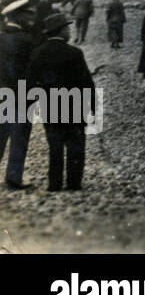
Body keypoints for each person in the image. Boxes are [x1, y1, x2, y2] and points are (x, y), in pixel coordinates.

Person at [26, 12, 96, 192]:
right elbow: (86, 82)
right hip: (74, 106)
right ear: (62, 30)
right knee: (75, 146)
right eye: (68, 28)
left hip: (50, 107)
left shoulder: (37, 53)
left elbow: (30, 83)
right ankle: (74, 182)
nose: (70, 31)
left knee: (55, 146)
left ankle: (54, 183)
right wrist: (92, 107)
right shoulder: (74, 53)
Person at [0, 0, 39, 190]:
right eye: (28, 15)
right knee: (19, 137)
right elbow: (32, 71)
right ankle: (13, 178)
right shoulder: (27, 40)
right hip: (21, 97)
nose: (31, 18)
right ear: (19, 16)